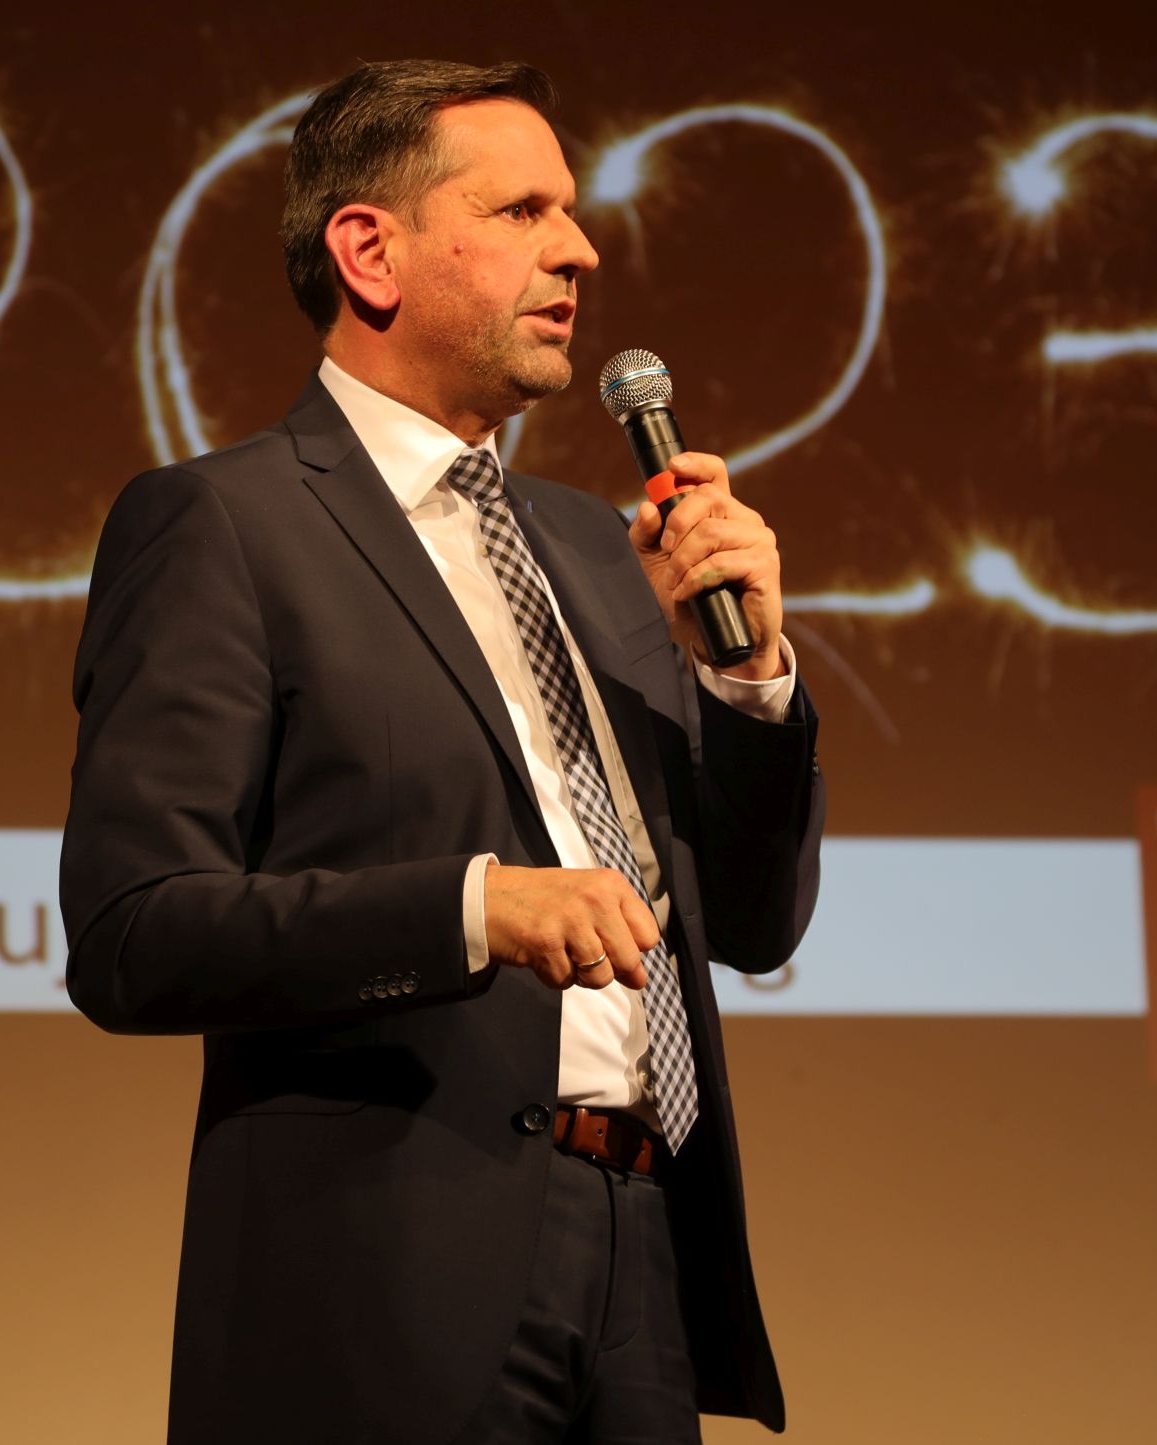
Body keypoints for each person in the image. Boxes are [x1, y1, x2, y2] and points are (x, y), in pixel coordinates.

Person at [60, 58, 824, 1444]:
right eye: (523, 211)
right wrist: (474, 909)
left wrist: (748, 678)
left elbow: (754, 922)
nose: (580, 250)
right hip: (385, 1278)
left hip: (645, 1255)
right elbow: (133, 931)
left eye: (570, 211)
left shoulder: (594, 545)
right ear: (371, 252)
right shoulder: (226, 525)